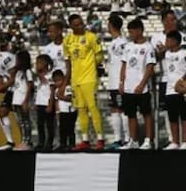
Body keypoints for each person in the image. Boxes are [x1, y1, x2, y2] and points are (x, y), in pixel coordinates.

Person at [63, 13, 105, 150]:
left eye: (81, 23)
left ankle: (100, 139)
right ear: (71, 26)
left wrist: (94, 65)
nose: (80, 26)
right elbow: (67, 59)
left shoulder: (91, 37)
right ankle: (85, 140)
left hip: (89, 78)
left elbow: (99, 55)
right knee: (81, 109)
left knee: (92, 107)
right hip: (76, 79)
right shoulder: (67, 40)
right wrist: (68, 78)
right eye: (77, 25)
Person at [151, 10, 186, 148]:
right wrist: (160, 52)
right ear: (164, 21)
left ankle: (185, 140)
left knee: (184, 112)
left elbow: (184, 54)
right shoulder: (156, 37)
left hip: (180, 82)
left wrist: (166, 47)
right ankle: (172, 139)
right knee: (169, 111)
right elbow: (153, 58)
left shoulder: (182, 36)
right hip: (164, 79)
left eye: (175, 19)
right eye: (171, 20)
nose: (174, 22)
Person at [119, 18, 157, 150]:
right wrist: (121, 82)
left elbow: (150, 68)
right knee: (131, 114)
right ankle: (133, 140)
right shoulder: (128, 47)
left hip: (142, 88)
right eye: (129, 31)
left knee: (146, 113)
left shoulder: (148, 47)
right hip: (129, 86)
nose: (130, 34)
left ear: (140, 30)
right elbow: (124, 65)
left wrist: (142, 84)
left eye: (132, 31)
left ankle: (148, 140)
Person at [163, 30, 186, 150]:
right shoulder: (167, 53)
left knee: (184, 115)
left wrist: (182, 80)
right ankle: (175, 141)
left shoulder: (184, 53)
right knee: (172, 116)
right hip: (169, 89)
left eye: (168, 40)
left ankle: (185, 141)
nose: (166, 42)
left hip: (181, 89)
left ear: (175, 41)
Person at [106, 15, 130, 150]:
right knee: (115, 109)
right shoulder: (113, 42)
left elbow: (125, 63)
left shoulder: (123, 43)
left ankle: (127, 139)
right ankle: (117, 139)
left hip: (120, 82)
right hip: (112, 81)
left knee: (123, 110)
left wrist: (122, 81)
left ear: (111, 25)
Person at [33, 55, 55, 152]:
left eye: (38, 63)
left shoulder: (50, 76)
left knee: (49, 124)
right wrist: (36, 102)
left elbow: (52, 90)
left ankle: (50, 143)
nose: (36, 65)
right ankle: (41, 142)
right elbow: (37, 90)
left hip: (47, 103)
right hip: (40, 103)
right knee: (40, 124)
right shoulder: (37, 78)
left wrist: (51, 104)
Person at [53, 70, 77, 151]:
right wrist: (57, 112)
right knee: (62, 129)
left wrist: (61, 97)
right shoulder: (57, 90)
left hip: (70, 111)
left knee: (70, 128)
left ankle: (72, 144)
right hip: (62, 112)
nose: (57, 83)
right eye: (55, 81)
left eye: (59, 80)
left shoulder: (68, 87)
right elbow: (56, 102)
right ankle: (63, 144)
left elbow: (70, 98)